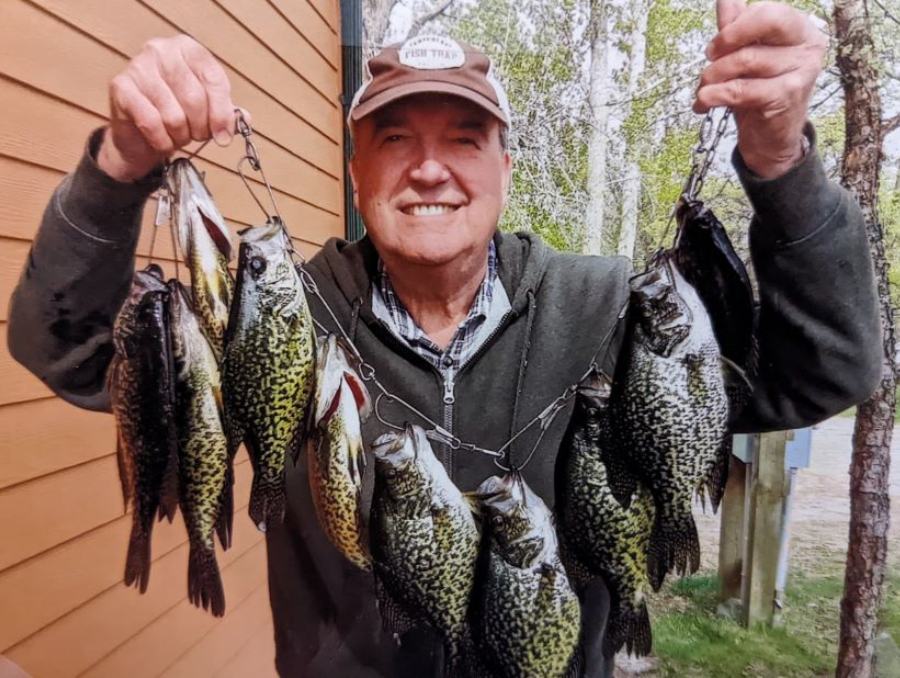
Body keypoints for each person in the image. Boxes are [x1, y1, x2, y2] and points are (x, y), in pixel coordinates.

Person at [7, 0, 881, 676]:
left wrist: (777, 159)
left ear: (506, 166)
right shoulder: (277, 312)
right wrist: (119, 166)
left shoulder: (611, 307)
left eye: (464, 139)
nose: (430, 169)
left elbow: (826, 370)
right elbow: (71, 351)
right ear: (356, 170)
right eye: (396, 141)